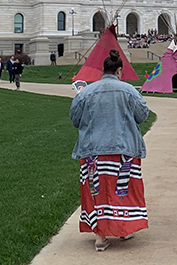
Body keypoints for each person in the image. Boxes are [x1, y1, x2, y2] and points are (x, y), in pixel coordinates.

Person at [70, 50, 150, 251]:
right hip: (123, 149)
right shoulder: (129, 90)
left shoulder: (87, 92)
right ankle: (122, 227)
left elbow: (75, 119)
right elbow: (142, 115)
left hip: (93, 150)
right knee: (123, 190)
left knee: (97, 191)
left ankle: (100, 235)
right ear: (119, 71)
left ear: (102, 70)